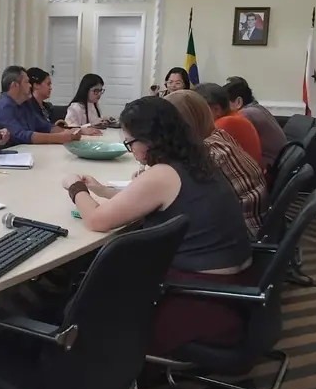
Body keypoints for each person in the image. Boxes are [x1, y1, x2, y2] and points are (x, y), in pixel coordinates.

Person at [61, 96, 253, 356]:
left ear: (149, 140)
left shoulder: (163, 174)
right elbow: (151, 199)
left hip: (200, 301)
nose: (132, 151)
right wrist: (102, 190)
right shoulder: (195, 159)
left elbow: (96, 220)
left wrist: (75, 187)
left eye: (130, 143)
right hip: (234, 288)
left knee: (95, 298)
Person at [165, 90, 268, 236]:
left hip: (242, 234)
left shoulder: (207, 152)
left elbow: (181, 197)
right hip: (256, 224)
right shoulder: (218, 136)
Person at [0, 65, 85, 146]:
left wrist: (68, 133)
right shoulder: (1, 108)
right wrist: (59, 138)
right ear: (14, 85)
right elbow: (22, 136)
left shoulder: (25, 103)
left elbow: (45, 126)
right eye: (26, 82)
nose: (30, 85)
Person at [192, 83, 263, 167]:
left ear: (216, 109)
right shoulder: (234, 118)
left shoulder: (225, 124)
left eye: (197, 110)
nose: (195, 115)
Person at [224, 76, 287, 169]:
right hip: (280, 161)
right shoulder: (257, 108)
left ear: (238, 102)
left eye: (225, 103)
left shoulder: (245, 114)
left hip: (270, 167)